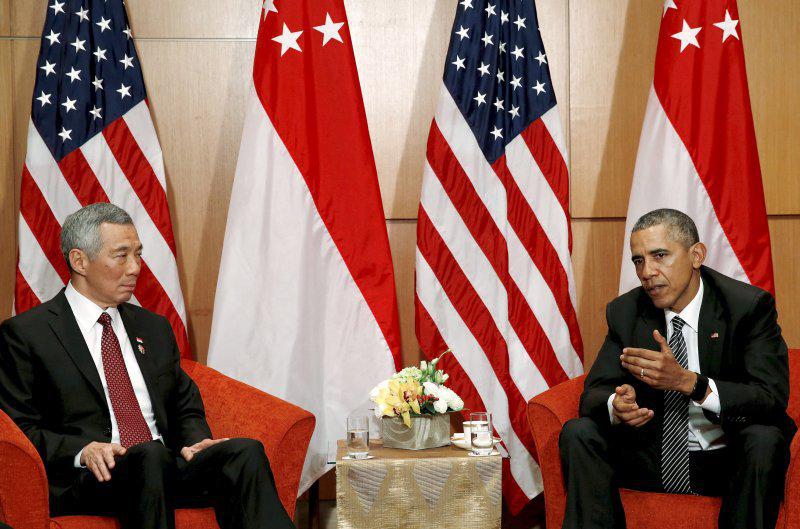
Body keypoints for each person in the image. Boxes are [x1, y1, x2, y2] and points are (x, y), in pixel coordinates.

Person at [0, 203, 296, 529]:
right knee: (148, 455)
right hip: (91, 476)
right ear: (79, 261)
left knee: (245, 453)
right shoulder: (28, 334)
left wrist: (197, 442)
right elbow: (19, 428)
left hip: (163, 465)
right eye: (121, 255)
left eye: (138, 255)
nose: (135, 268)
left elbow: (184, 405)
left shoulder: (152, 328)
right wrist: (82, 450)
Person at [559, 208, 795, 529]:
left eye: (659, 256)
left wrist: (689, 382)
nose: (647, 272)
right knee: (579, 433)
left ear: (696, 255)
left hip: (723, 459)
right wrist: (618, 404)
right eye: (639, 260)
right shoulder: (626, 311)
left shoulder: (747, 307)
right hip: (651, 455)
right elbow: (592, 396)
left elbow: (770, 398)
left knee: (765, 439)